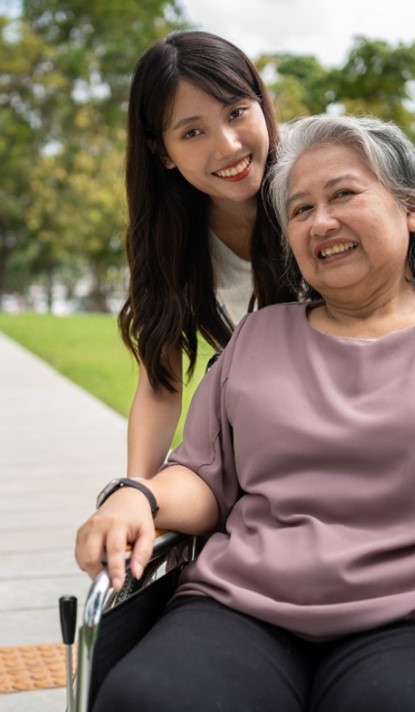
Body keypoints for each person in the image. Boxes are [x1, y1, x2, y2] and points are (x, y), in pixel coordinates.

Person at [77, 114, 415, 711]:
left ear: (412, 208)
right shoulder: (258, 337)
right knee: (150, 699)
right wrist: (138, 496)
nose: (321, 221)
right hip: (242, 606)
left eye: (344, 194)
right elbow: (204, 475)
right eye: (301, 210)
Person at [119, 30, 298, 480]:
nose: (229, 146)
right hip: (273, 440)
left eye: (237, 112)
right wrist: (137, 489)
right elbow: (161, 388)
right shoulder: (169, 240)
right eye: (193, 131)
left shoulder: (313, 182)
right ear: (162, 153)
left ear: (261, 102)